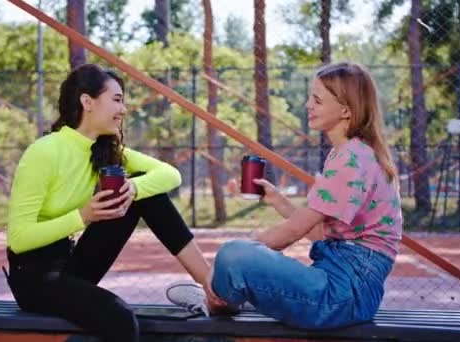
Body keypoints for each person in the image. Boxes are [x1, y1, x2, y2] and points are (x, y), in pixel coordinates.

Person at [167, 61, 402, 329]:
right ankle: (222, 296)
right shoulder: (353, 153)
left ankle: (213, 299)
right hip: (343, 290)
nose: (308, 106)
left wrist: (227, 263)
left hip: (341, 295)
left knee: (233, 254)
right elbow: (317, 233)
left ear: (345, 109)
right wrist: (278, 201)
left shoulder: (351, 158)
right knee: (237, 256)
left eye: (317, 100)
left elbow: (293, 231)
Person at [3, 63, 225, 342]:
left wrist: (132, 187)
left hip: (70, 267)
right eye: (117, 99)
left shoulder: (104, 150)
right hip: (35, 279)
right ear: (88, 102)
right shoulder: (44, 152)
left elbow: (170, 175)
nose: (123, 109)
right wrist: (82, 216)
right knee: (119, 318)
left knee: (145, 193)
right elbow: (19, 238)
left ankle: (211, 289)